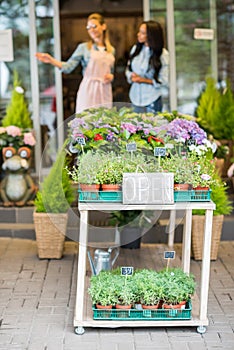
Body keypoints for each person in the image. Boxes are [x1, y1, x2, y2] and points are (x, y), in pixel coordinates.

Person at [36, 13, 115, 113]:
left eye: (94, 26)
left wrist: (111, 76)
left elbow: (111, 72)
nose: (91, 30)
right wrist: (51, 60)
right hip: (89, 89)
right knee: (87, 121)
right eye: (88, 27)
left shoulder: (111, 50)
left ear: (103, 26)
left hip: (104, 90)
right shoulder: (84, 48)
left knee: (105, 122)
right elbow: (68, 67)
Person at [125, 20, 169, 114]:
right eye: (139, 31)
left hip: (151, 98)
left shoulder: (162, 54)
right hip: (135, 97)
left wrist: (142, 80)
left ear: (151, 35)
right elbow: (128, 69)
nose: (138, 34)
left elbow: (163, 80)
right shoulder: (136, 49)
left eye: (142, 33)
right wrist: (131, 76)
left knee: (151, 127)